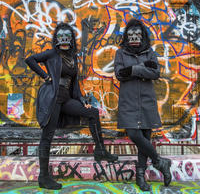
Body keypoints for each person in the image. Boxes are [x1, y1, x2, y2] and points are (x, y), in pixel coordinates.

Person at [25, 22, 118, 190]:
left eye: (67, 37)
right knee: (47, 136)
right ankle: (43, 177)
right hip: (53, 99)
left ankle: (101, 150)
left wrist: (82, 100)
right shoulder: (52, 54)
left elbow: (74, 84)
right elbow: (30, 60)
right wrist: (45, 77)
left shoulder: (73, 57)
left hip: (67, 99)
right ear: (57, 39)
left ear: (71, 39)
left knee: (93, 113)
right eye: (61, 37)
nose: (64, 40)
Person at [114, 19, 171, 191]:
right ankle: (160, 162)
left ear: (142, 36)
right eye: (130, 34)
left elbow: (155, 73)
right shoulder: (120, 53)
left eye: (137, 34)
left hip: (147, 102)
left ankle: (140, 177)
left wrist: (133, 69)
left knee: (144, 140)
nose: (134, 37)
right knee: (134, 134)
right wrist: (142, 68)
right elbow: (119, 74)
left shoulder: (150, 52)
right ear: (126, 36)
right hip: (128, 102)